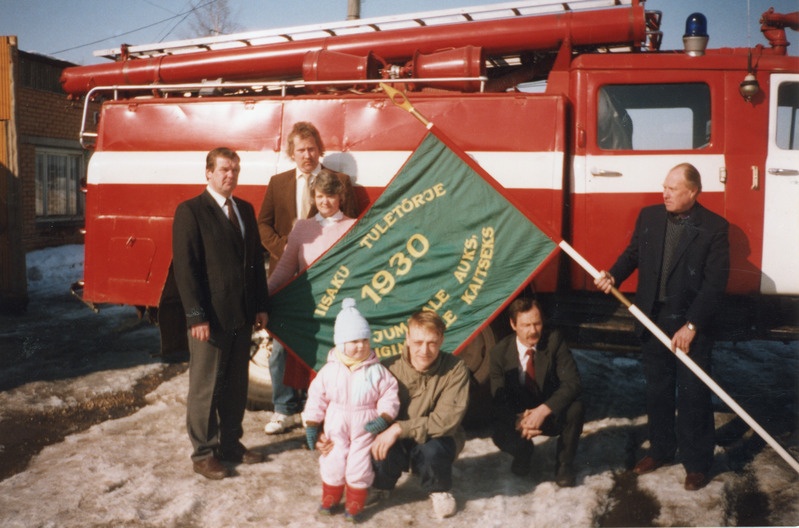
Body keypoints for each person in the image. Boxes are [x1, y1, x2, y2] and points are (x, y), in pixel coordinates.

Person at [594, 162, 730, 491]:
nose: (664, 192)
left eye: (672, 188)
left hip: (689, 324)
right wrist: (613, 274)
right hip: (652, 318)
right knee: (658, 391)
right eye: (664, 186)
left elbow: (714, 285)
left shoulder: (714, 228)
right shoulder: (649, 216)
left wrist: (692, 325)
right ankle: (661, 450)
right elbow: (632, 254)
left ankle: (697, 463)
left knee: (694, 394)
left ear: (693, 192)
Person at [171, 147, 269, 480]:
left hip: (241, 316)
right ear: (209, 173)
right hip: (210, 319)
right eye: (225, 169)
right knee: (206, 387)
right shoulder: (191, 211)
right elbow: (186, 269)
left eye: (236, 170)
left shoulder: (244, 209)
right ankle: (203, 453)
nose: (231, 175)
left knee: (236, 386)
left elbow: (255, 262)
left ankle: (230, 444)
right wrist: (196, 316)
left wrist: (260, 306)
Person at [258, 121, 360, 435]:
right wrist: (289, 247)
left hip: (333, 289)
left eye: (312, 148)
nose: (307, 155)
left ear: (320, 150)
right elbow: (264, 224)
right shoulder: (278, 183)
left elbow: (355, 237)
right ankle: (283, 408)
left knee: (331, 353)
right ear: (292, 152)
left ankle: (326, 412)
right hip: (290, 280)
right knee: (281, 349)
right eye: (301, 149)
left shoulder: (341, 181)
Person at [303, 298, 400, 521]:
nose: (361, 345)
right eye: (354, 341)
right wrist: (311, 424)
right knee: (332, 459)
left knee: (359, 464)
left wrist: (384, 417)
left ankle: (356, 499)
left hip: (365, 426)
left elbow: (389, 394)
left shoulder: (376, 371)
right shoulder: (329, 371)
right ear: (340, 343)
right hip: (336, 424)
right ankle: (331, 496)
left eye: (365, 340)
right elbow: (316, 398)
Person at [368, 310, 470, 519]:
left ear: (442, 339)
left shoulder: (455, 369)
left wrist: (400, 428)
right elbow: (360, 407)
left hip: (434, 438)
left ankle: (439, 488)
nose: (424, 350)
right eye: (418, 342)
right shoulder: (386, 368)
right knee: (377, 442)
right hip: (394, 440)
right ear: (406, 338)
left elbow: (446, 420)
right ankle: (380, 484)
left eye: (432, 342)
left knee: (433, 449)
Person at [489, 298, 584, 487]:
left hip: (549, 414)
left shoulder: (554, 341)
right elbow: (498, 400)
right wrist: (518, 421)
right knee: (499, 430)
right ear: (513, 324)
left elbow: (573, 383)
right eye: (526, 325)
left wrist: (543, 410)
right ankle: (523, 453)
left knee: (576, 408)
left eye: (537, 323)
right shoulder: (499, 353)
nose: (533, 331)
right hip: (521, 417)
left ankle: (564, 464)